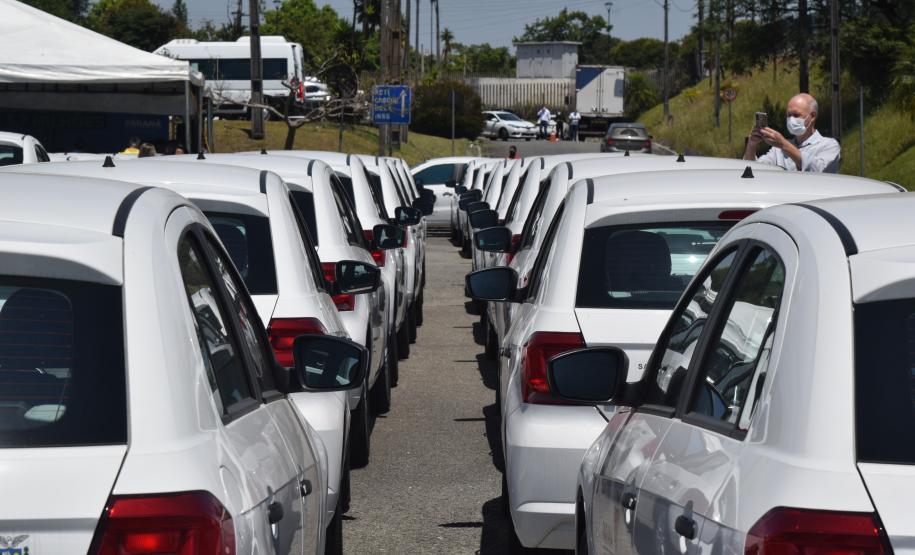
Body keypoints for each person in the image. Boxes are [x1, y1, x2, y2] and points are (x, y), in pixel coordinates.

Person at [744, 93, 840, 173]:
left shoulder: (829, 145)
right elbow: (753, 170)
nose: (791, 119)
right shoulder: (778, 150)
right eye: (788, 115)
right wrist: (752, 145)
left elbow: (817, 170)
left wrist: (784, 145)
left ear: (813, 116)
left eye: (796, 115)